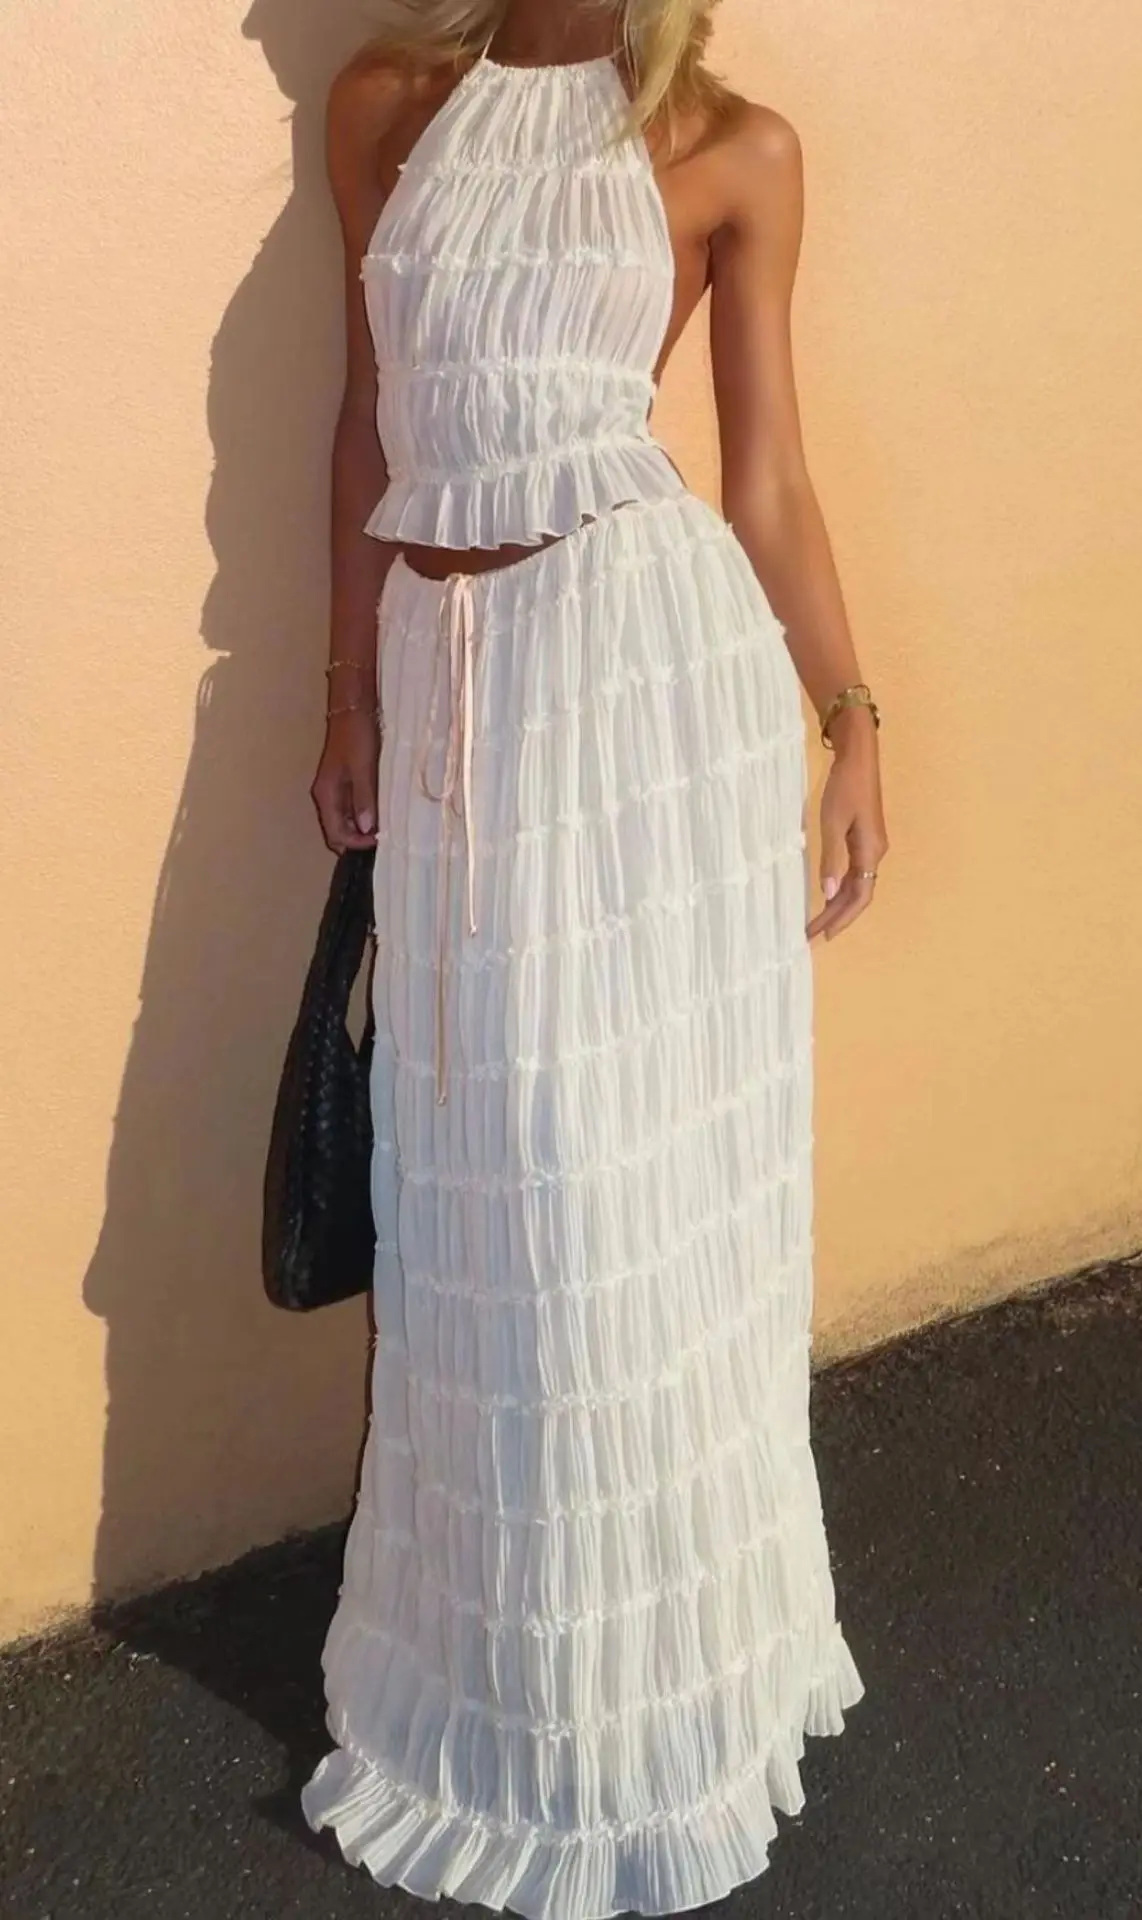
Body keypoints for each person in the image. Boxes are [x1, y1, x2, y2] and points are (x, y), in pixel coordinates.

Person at [302, 2, 884, 1912]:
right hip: (449, 685)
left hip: (637, 688)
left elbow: (765, 473)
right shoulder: (385, 104)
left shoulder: (730, 144)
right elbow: (371, 410)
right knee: (484, 1193)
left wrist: (851, 717)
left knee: (611, 1189)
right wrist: (343, 688)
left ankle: (658, 1704)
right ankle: (498, 1679)